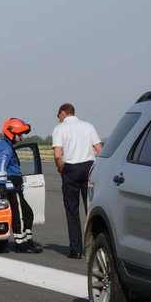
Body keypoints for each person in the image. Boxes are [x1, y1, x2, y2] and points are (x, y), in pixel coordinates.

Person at [52, 103, 102, 259]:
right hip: (88, 168)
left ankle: (76, 249)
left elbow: (58, 155)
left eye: (58, 115)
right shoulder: (88, 126)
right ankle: (93, 246)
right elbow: (100, 150)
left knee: (72, 211)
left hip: (71, 169)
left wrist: (61, 169)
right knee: (91, 210)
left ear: (63, 113)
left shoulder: (59, 129)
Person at [0, 118, 42, 253]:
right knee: (20, 216)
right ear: (11, 133)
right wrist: (3, 186)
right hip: (11, 187)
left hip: (13, 186)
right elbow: (0, 167)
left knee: (27, 213)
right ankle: (22, 245)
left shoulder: (3, 145)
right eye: (19, 134)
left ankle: (28, 241)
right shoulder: (6, 149)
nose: (21, 137)